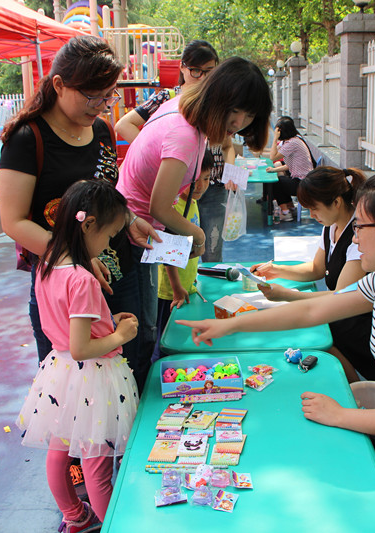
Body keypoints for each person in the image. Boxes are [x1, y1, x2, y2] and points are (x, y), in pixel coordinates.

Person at [178, 173, 375, 513]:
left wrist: (339, 415)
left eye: (361, 227)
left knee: (324, 450)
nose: (355, 237)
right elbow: (313, 310)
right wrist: (231, 326)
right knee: (317, 432)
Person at [0, 35, 158, 379]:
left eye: (108, 95)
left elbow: (106, 193)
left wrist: (128, 218)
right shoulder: (27, 139)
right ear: (59, 84)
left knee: (126, 369)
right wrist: (78, 258)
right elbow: (13, 222)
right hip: (65, 280)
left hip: (117, 271)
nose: (102, 105)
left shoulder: (100, 130)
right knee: (76, 381)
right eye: (93, 96)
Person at [116, 56, 272, 372]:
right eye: (235, 109)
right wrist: (196, 234)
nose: (240, 121)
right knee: (140, 333)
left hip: (141, 233)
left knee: (143, 329)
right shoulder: (185, 134)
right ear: (218, 96)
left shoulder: (181, 107)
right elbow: (160, 206)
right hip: (129, 237)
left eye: (249, 114)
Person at [16, 179, 139, 533]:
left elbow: (70, 326)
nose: (109, 243)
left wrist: (105, 322)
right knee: (97, 464)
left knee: (59, 451)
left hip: (60, 375)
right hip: (94, 377)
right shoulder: (82, 279)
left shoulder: (47, 264)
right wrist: (119, 335)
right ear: (88, 225)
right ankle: (114, 524)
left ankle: (75, 516)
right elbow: (82, 346)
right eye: (110, 235)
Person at [250, 166, 375, 383]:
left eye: (315, 208)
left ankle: (355, 392)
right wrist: (277, 269)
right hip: (337, 320)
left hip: (357, 330)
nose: (312, 215)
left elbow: (341, 297)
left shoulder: (359, 235)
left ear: (336, 202)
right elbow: (316, 269)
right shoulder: (331, 225)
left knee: (311, 339)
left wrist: (287, 295)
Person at [115, 40, 234, 263]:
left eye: (209, 72)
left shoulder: (210, 110)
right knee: (176, 250)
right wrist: (162, 157)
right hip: (175, 190)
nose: (202, 78)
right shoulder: (172, 105)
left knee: (210, 245)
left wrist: (230, 169)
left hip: (210, 182)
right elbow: (123, 125)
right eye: (196, 71)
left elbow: (227, 146)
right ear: (182, 68)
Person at [151, 149, 213, 362]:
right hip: (169, 289)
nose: (201, 186)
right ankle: (161, 368)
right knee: (166, 338)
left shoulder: (192, 201)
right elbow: (169, 252)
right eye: (194, 180)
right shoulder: (174, 206)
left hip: (185, 282)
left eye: (206, 178)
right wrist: (177, 288)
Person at [266, 116, 314, 221]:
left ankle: (286, 212)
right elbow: (291, 165)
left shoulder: (292, 143)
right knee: (280, 180)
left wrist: (274, 139)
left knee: (275, 182)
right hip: (304, 181)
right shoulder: (295, 140)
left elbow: (273, 157)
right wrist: (273, 170)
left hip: (303, 184)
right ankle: (290, 208)